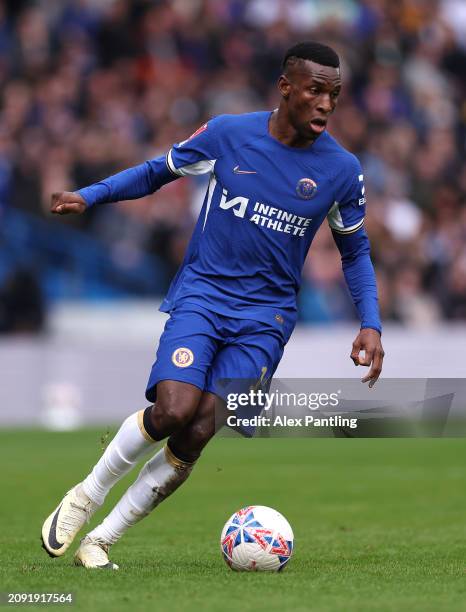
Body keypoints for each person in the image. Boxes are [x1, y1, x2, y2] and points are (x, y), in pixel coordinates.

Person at [41, 41, 384, 570]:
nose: (325, 104)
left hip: (266, 320)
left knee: (199, 429)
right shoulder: (228, 133)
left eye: (334, 95)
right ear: (286, 87)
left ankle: (102, 540)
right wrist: (93, 194)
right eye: (315, 91)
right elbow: (159, 171)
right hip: (204, 293)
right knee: (174, 409)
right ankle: (86, 495)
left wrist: (371, 323)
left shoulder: (341, 169)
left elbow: (355, 250)